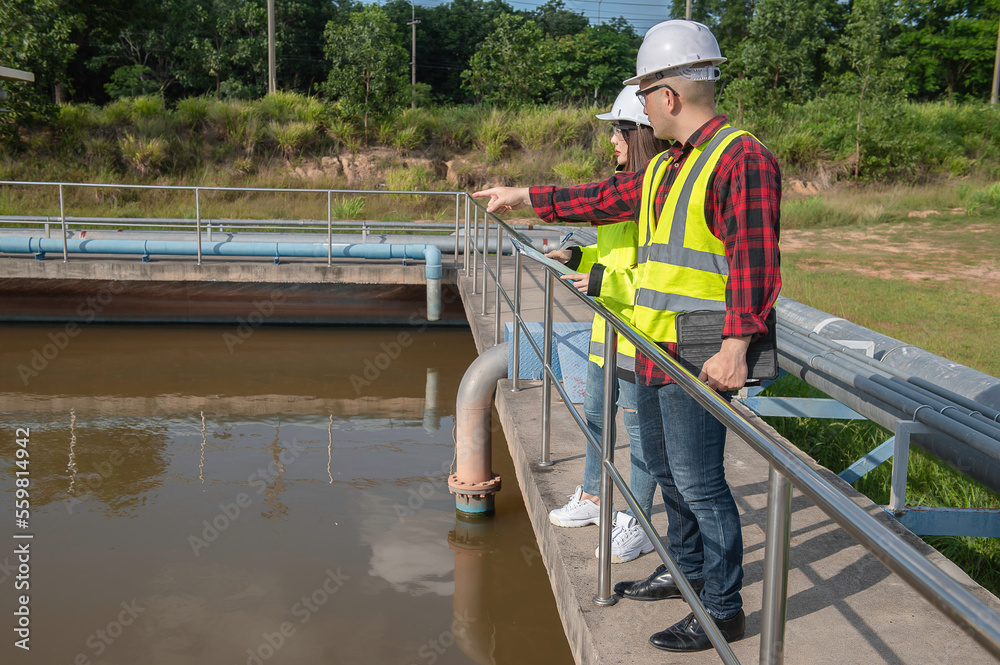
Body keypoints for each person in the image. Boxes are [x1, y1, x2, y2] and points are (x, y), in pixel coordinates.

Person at [473, 19, 781, 654]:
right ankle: (687, 573)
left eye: (643, 93)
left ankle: (723, 609)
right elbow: (603, 196)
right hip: (652, 346)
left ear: (668, 94)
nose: (638, 107)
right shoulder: (670, 165)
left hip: (699, 350)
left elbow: (757, 262)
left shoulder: (740, 158)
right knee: (667, 473)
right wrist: (523, 194)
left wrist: (735, 349)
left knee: (700, 483)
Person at [545, 85, 669, 565]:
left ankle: (637, 520)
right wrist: (579, 255)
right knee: (596, 417)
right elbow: (614, 254)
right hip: (606, 328)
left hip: (640, 332)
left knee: (640, 434)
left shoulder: (656, 194)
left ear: (641, 133)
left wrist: (600, 278)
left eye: (619, 130)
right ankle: (594, 498)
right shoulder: (620, 187)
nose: (612, 140)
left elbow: (660, 273)